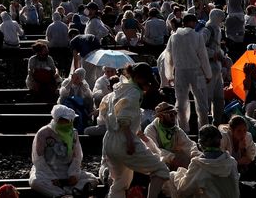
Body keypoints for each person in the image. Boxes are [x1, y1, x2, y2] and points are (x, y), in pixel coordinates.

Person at [101, 63, 175, 198]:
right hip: (124, 141)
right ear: (141, 78)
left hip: (109, 141)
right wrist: (130, 141)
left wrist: (137, 132)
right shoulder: (134, 92)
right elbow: (124, 118)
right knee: (161, 170)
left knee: (120, 182)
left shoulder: (119, 87)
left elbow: (106, 110)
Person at [163, 13, 212, 132]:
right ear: (193, 23)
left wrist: (169, 75)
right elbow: (203, 57)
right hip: (196, 72)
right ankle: (204, 129)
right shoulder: (197, 36)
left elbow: (168, 57)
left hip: (180, 72)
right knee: (201, 102)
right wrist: (208, 74)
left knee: (181, 102)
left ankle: (184, 129)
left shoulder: (174, 37)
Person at [30, 105, 88, 197]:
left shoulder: (73, 133)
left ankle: (73, 190)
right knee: (35, 182)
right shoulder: (43, 133)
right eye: (63, 120)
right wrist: (51, 177)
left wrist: (73, 174)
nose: (67, 123)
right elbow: (38, 159)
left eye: (69, 121)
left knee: (91, 179)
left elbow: (77, 156)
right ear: (56, 119)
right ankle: (60, 194)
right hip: (47, 171)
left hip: (66, 171)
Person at [174, 125, 238, 198]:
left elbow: (183, 190)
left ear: (200, 144)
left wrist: (177, 175)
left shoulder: (198, 165)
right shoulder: (232, 162)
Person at [144, 102, 197, 171]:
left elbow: (188, 144)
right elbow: (154, 149)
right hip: (156, 161)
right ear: (160, 116)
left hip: (172, 159)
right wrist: (171, 157)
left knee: (188, 159)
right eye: (170, 114)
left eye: (175, 113)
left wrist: (197, 155)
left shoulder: (175, 129)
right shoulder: (151, 129)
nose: (174, 117)